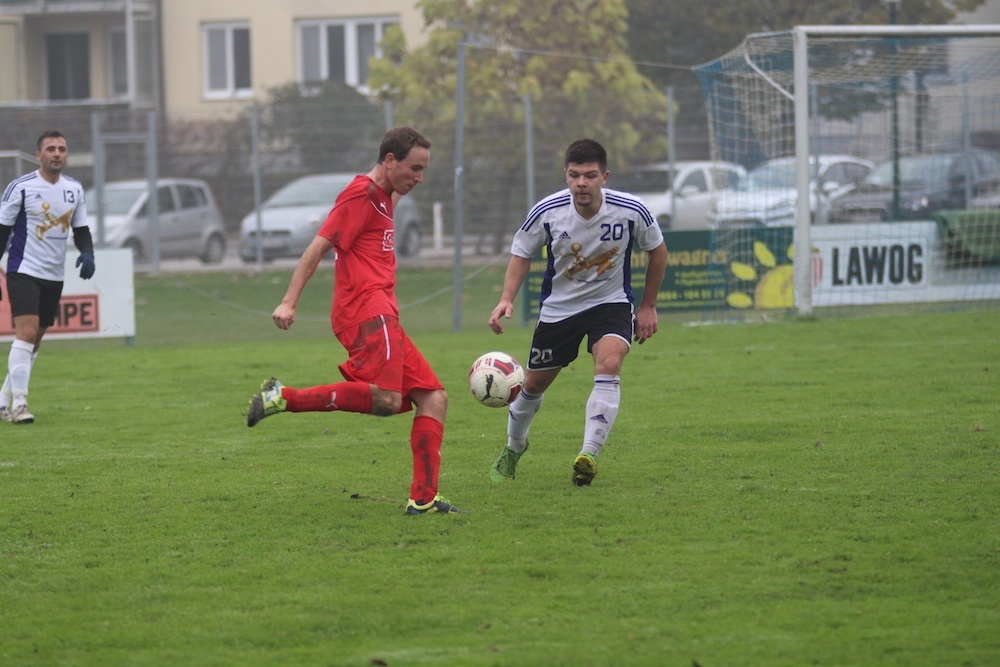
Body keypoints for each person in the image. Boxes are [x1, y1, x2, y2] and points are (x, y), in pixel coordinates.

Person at [245, 126, 466, 515]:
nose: (420, 178)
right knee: (386, 400)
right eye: (414, 169)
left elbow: (390, 190)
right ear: (390, 160)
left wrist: (396, 185)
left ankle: (424, 499)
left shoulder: (385, 194)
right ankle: (281, 397)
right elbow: (317, 246)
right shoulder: (360, 195)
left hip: (382, 312)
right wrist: (288, 302)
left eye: (423, 170)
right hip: (364, 310)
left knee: (434, 398)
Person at [487, 138, 668, 486]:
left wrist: (647, 306)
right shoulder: (548, 211)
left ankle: (589, 454)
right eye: (574, 175)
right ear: (566, 175)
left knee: (610, 364)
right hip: (560, 309)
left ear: (605, 176)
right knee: (534, 384)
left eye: (589, 175)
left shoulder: (632, 210)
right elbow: (522, 253)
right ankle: (514, 446)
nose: (581, 183)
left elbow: (657, 251)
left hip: (611, 302)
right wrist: (506, 298)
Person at [0, 130, 95, 424]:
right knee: (26, 332)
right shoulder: (22, 187)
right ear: (38, 155)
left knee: (35, 340)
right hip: (23, 269)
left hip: (54, 276)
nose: (57, 153)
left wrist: (87, 252)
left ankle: (2, 401)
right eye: (51, 149)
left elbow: (81, 230)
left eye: (62, 149)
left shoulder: (74, 189)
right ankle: (20, 404)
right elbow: (2, 230)